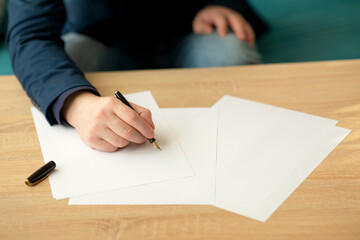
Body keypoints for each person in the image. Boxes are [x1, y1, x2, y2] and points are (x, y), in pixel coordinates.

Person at [6, 0, 268, 152]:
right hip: (101, 39)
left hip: (191, 31)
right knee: (73, 54)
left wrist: (220, 3)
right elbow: (30, 35)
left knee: (230, 53)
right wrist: (76, 104)